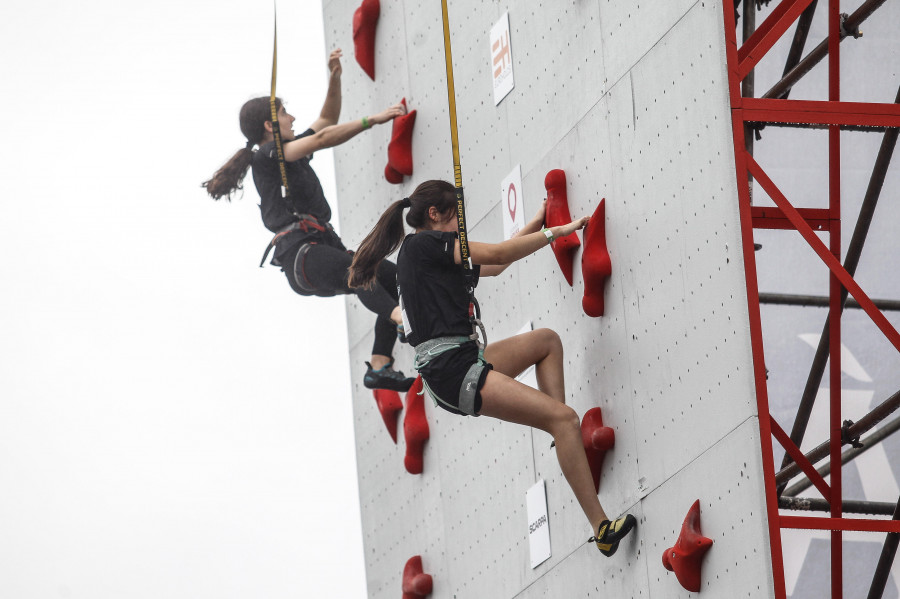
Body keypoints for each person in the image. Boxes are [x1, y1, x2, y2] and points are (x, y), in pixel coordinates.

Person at [348, 180, 637, 556]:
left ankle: (564, 439)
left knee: (546, 342)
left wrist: (536, 221)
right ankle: (601, 528)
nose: (461, 226)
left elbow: (498, 264)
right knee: (564, 418)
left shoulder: (427, 254)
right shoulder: (422, 246)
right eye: (457, 216)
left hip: (460, 359)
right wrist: (557, 231)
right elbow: (500, 252)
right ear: (434, 215)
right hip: (453, 370)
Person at [202, 49, 414, 392]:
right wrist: (372, 120)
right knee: (363, 273)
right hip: (302, 253)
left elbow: (326, 120)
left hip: (317, 250)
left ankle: (380, 365)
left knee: (395, 277)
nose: (293, 118)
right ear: (270, 126)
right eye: (285, 114)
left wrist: (335, 77)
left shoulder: (285, 152)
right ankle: (403, 320)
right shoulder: (269, 154)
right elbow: (322, 138)